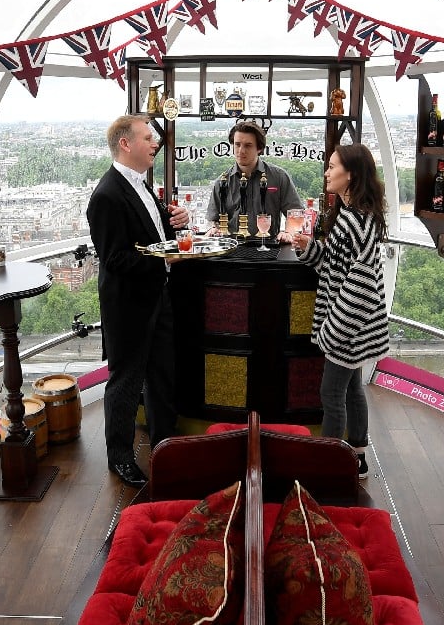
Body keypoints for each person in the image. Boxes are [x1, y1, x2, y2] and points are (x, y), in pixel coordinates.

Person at [87, 114, 189, 488]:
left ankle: (165, 444)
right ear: (126, 144)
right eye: (149, 138)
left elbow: (152, 231)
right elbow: (115, 259)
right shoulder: (106, 195)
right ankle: (120, 459)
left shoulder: (141, 185)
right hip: (128, 307)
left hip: (157, 297)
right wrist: (165, 258)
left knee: (162, 375)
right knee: (126, 383)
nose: (155, 144)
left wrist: (173, 219)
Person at [291, 144, 389, 478]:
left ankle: (327, 463)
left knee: (331, 393)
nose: (327, 172)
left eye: (332, 167)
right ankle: (357, 456)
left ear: (352, 175)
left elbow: (359, 285)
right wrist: (310, 249)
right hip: (356, 324)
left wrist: (333, 332)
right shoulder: (355, 215)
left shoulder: (354, 222)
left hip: (347, 325)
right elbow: (336, 268)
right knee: (351, 389)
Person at [206, 120, 303, 237]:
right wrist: (213, 229)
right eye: (237, 144)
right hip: (231, 249)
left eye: (248, 145)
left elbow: (296, 214)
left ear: (259, 148)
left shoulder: (279, 177)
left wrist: (288, 233)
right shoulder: (222, 182)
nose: (241, 151)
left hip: (269, 247)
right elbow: (213, 220)